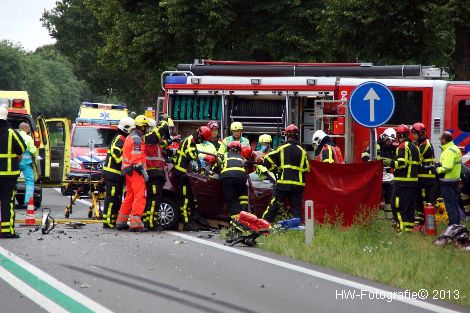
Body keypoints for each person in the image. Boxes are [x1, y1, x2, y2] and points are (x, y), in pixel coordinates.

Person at [262, 124, 310, 223]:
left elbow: (266, 159)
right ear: (297, 135)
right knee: (296, 208)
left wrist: (276, 170)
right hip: (298, 184)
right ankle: (295, 227)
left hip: (283, 183)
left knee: (274, 204)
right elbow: (306, 169)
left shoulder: (282, 148)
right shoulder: (303, 152)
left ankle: (264, 225)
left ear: (287, 135)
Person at [173, 126, 212, 230]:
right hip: (182, 174)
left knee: (189, 199)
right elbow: (192, 156)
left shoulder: (191, 140)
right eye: (203, 139)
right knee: (185, 199)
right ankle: (186, 223)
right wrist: (205, 157)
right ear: (200, 135)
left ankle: (188, 221)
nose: (202, 142)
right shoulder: (190, 141)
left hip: (184, 174)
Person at [116, 115, 149, 232]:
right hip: (135, 171)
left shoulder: (130, 137)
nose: (147, 129)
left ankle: (121, 221)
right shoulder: (137, 139)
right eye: (146, 127)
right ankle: (135, 223)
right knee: (140, 195)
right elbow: (136, 159)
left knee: (130, 196)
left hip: (128, 171)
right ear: (142, 127)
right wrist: (144, 173)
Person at [385, 124, 420, 233]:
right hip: (413, 182)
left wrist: (388, 162)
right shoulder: (415, 147)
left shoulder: (402, 146)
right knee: (409, 207)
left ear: (399, 136)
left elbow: (401, 163)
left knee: (397, 206)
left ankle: (401, 229)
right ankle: (408, 229)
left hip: (402, 182)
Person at [102, 117, 134, 229]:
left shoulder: (120, 138)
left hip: (115, 174)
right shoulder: (120, 138)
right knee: (112, 199)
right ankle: (108, 222)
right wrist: (130, 161)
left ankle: (112, 220)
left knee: (116, 198)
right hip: (113, 174)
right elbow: (117, 156)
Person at [0, 107, 26, 239]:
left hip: (8, 175)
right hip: (8, 175)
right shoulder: (11, 133)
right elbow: (22, 147)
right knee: (7, 201)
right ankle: (6, 230)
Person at [410, 122, 439, 225]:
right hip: (422, 177)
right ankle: (423, 220)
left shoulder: (425, 145)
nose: (413, 136)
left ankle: (427, 221)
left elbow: (417, 158)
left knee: (426, 200)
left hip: (427, 178)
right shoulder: (421, 144)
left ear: (421, 133)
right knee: (419, 198)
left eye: (415, 134)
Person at [142, 118, 167, 230]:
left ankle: (148, 221)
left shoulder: (151, 140)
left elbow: (163, 144)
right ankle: (151, 223)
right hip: (153, 174)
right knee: (154, 199)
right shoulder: (149, 138)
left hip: (155, 173)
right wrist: (165, 120)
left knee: (152, 199)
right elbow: (162, 129)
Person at [435, 131, 462, 226]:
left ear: (445, 140)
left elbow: (447, 167)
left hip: (447, 182)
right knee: (454, 205)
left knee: (450, 207)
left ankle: (453, 227)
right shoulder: (455, 148)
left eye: (441, 139)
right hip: (454, 181)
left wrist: (437, 169)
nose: (440, 140)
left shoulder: (448, 151)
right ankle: (457, 226)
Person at [220, 141, 248, 219]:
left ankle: (236, 223)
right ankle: (244, 217)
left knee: (232, 200)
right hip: (241, 177)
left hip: (227, 178)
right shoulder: (242, 157)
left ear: (228, 149)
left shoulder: (224, 155)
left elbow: (217, 166)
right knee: (243, 197)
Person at [18, 122, 37, 207]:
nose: (29, 130)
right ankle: (27, 202)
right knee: (29, 182)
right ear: (25, 128)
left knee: (11, 181)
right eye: (29, 128)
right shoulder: (28, 138)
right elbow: (33, 151)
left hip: (15, 162)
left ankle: (8, 199)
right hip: (26, 163)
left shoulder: (15, 136)